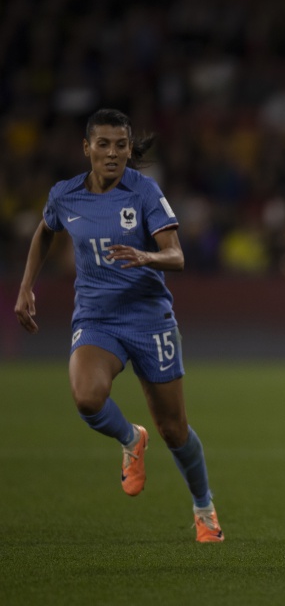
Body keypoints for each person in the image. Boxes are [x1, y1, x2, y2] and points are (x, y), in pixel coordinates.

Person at [14, 108, 223, 543]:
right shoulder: (65, 195)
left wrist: (146, 256)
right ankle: (130, 438)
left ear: (130, 149)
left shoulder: (143, 192)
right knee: (87, 398)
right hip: (96, 317)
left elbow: (177, 256)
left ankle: (204, 510)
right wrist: (26, 286)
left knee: (174, 428)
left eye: (121, 145)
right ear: (86, 148)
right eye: (104, 144)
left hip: (149, 318)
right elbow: (44, 231)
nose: (112, 153)